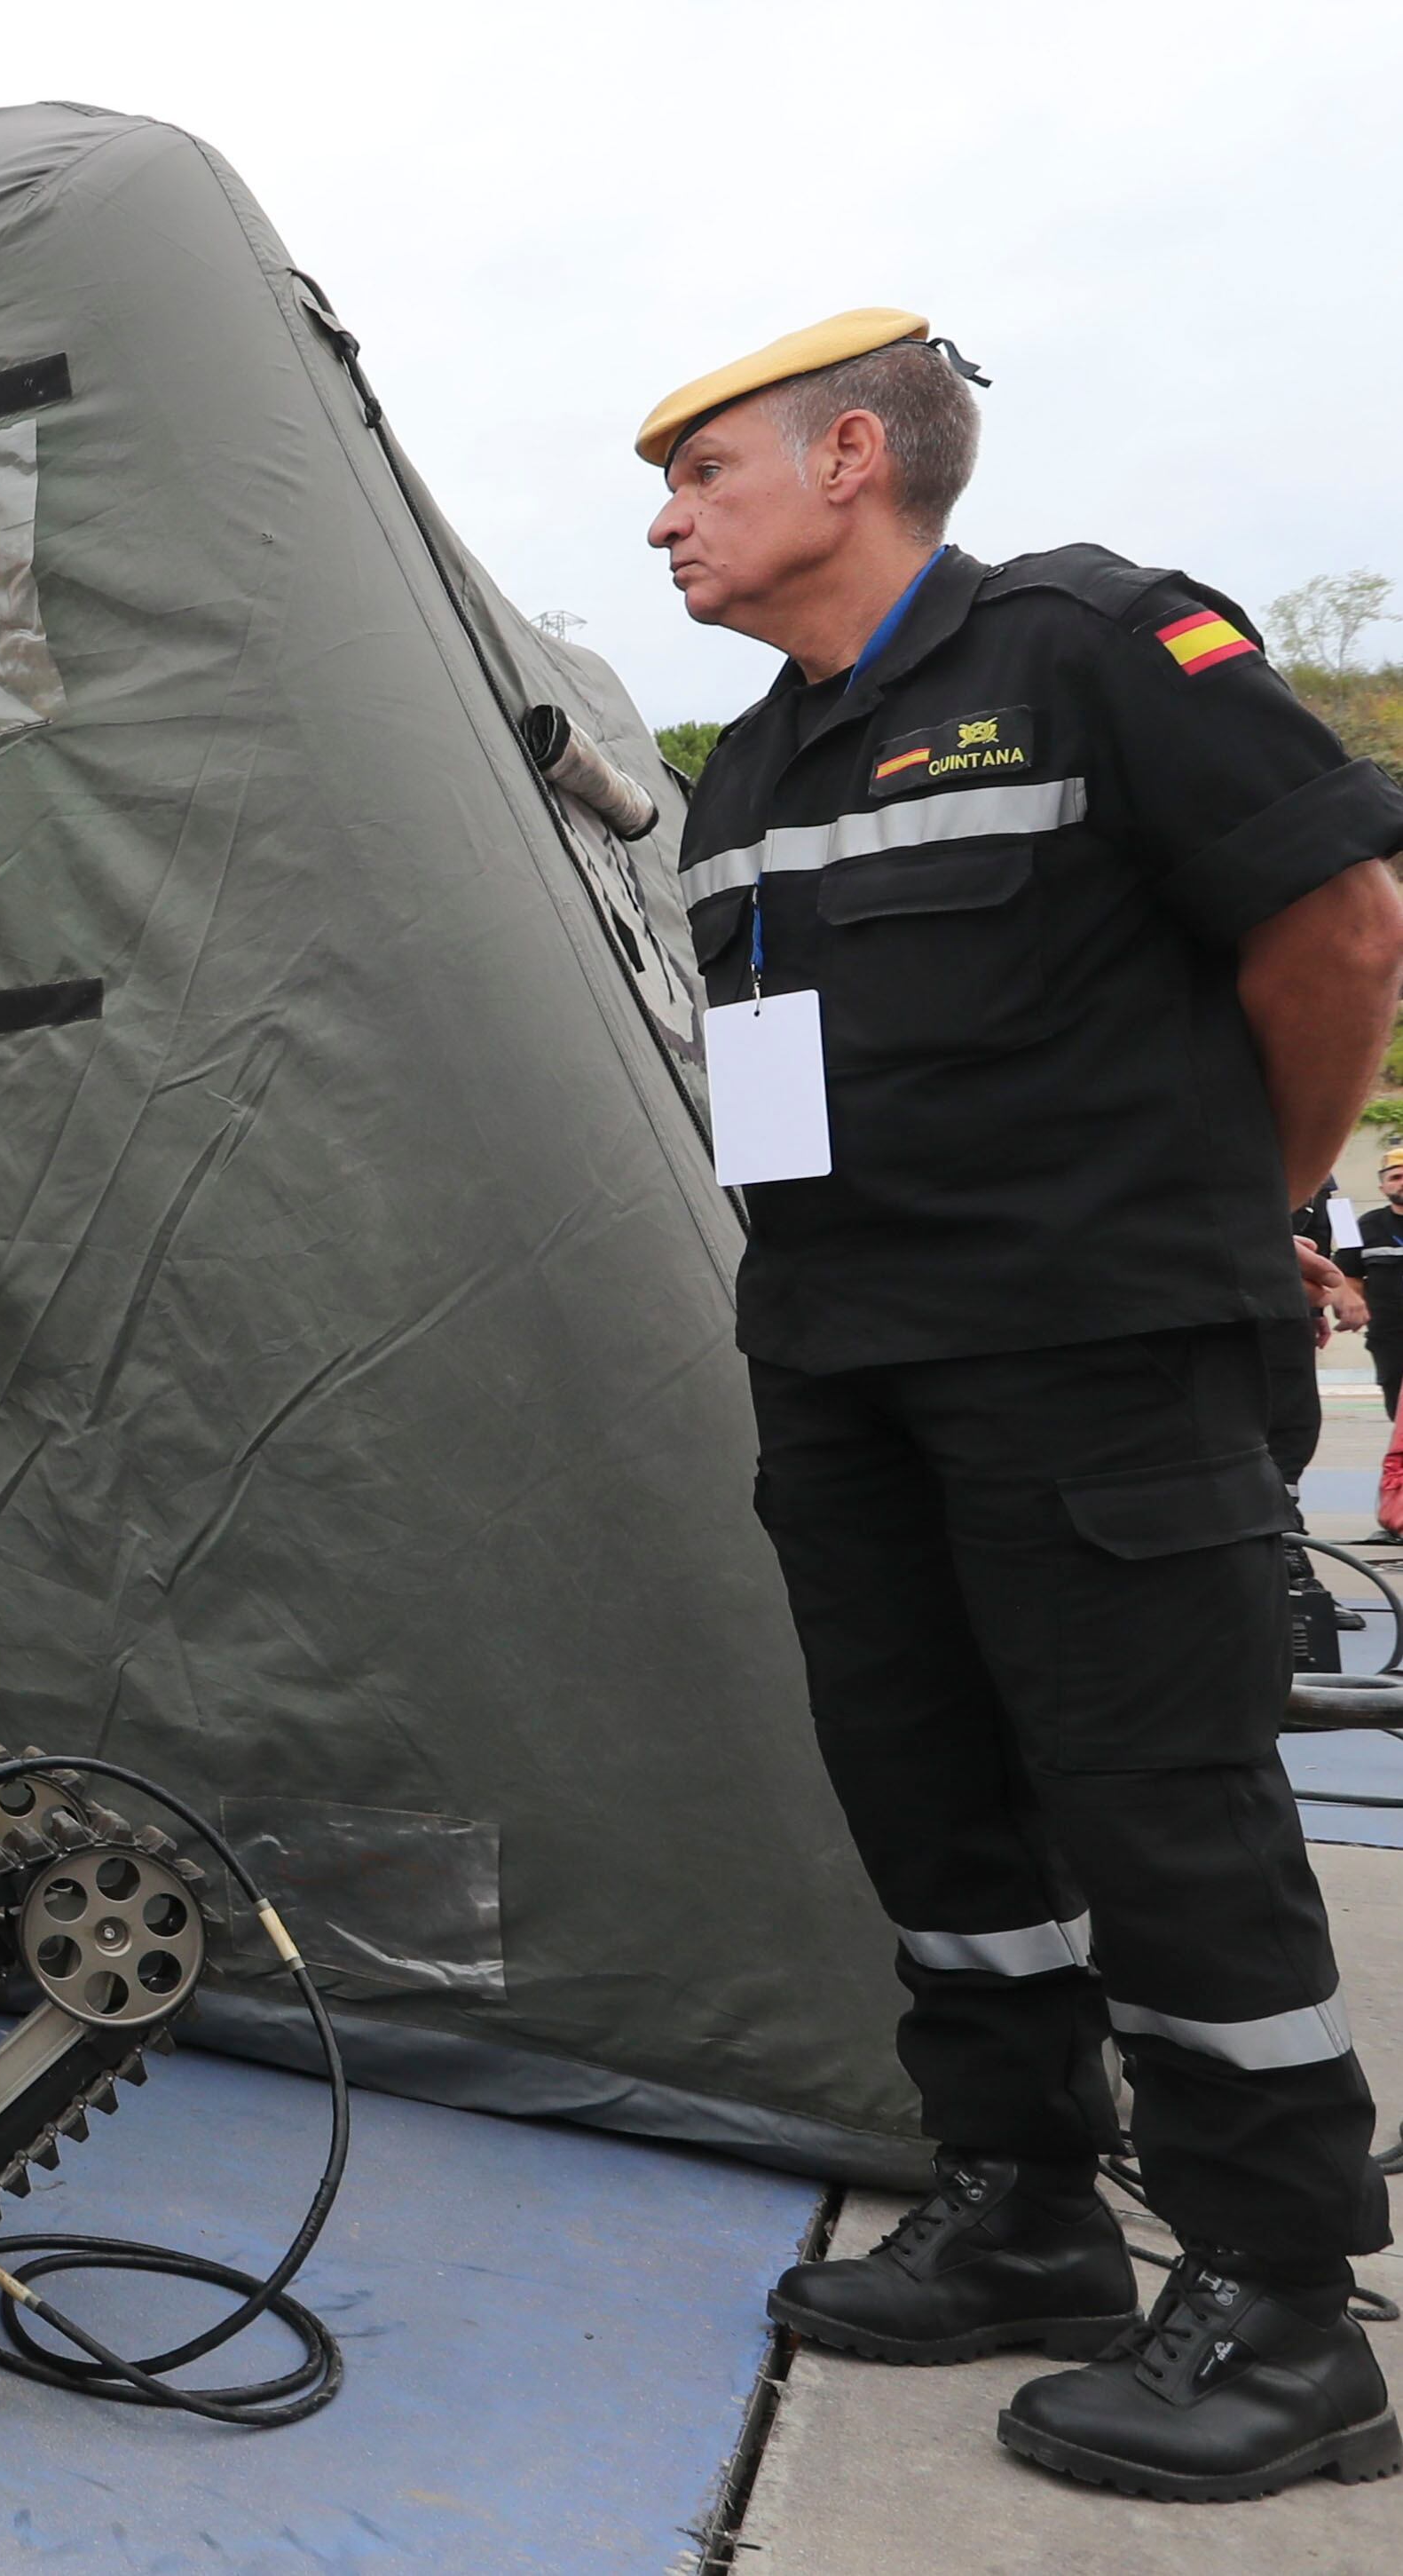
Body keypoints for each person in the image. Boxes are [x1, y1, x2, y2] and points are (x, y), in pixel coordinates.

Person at [643, 308, 1403, 2497]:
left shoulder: (1086, 646)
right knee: (933, 1797)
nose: (664, 517)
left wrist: (1228, 1204)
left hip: (1093, 1355)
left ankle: (1275, 2302)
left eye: (698, 472)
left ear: (849, 457)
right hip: (844, 1360)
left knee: (1157, 1808)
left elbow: (1334, 923)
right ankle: (1027, 2202)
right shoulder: (748, 758)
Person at [1357, 1148, 1403, 1419]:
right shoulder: (1365, 1225)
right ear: (1382, 1186)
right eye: (1395, 1177)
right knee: (1397, 1410)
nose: (1402, 1182)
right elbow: (1348, 1275)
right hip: (1390, 1336)